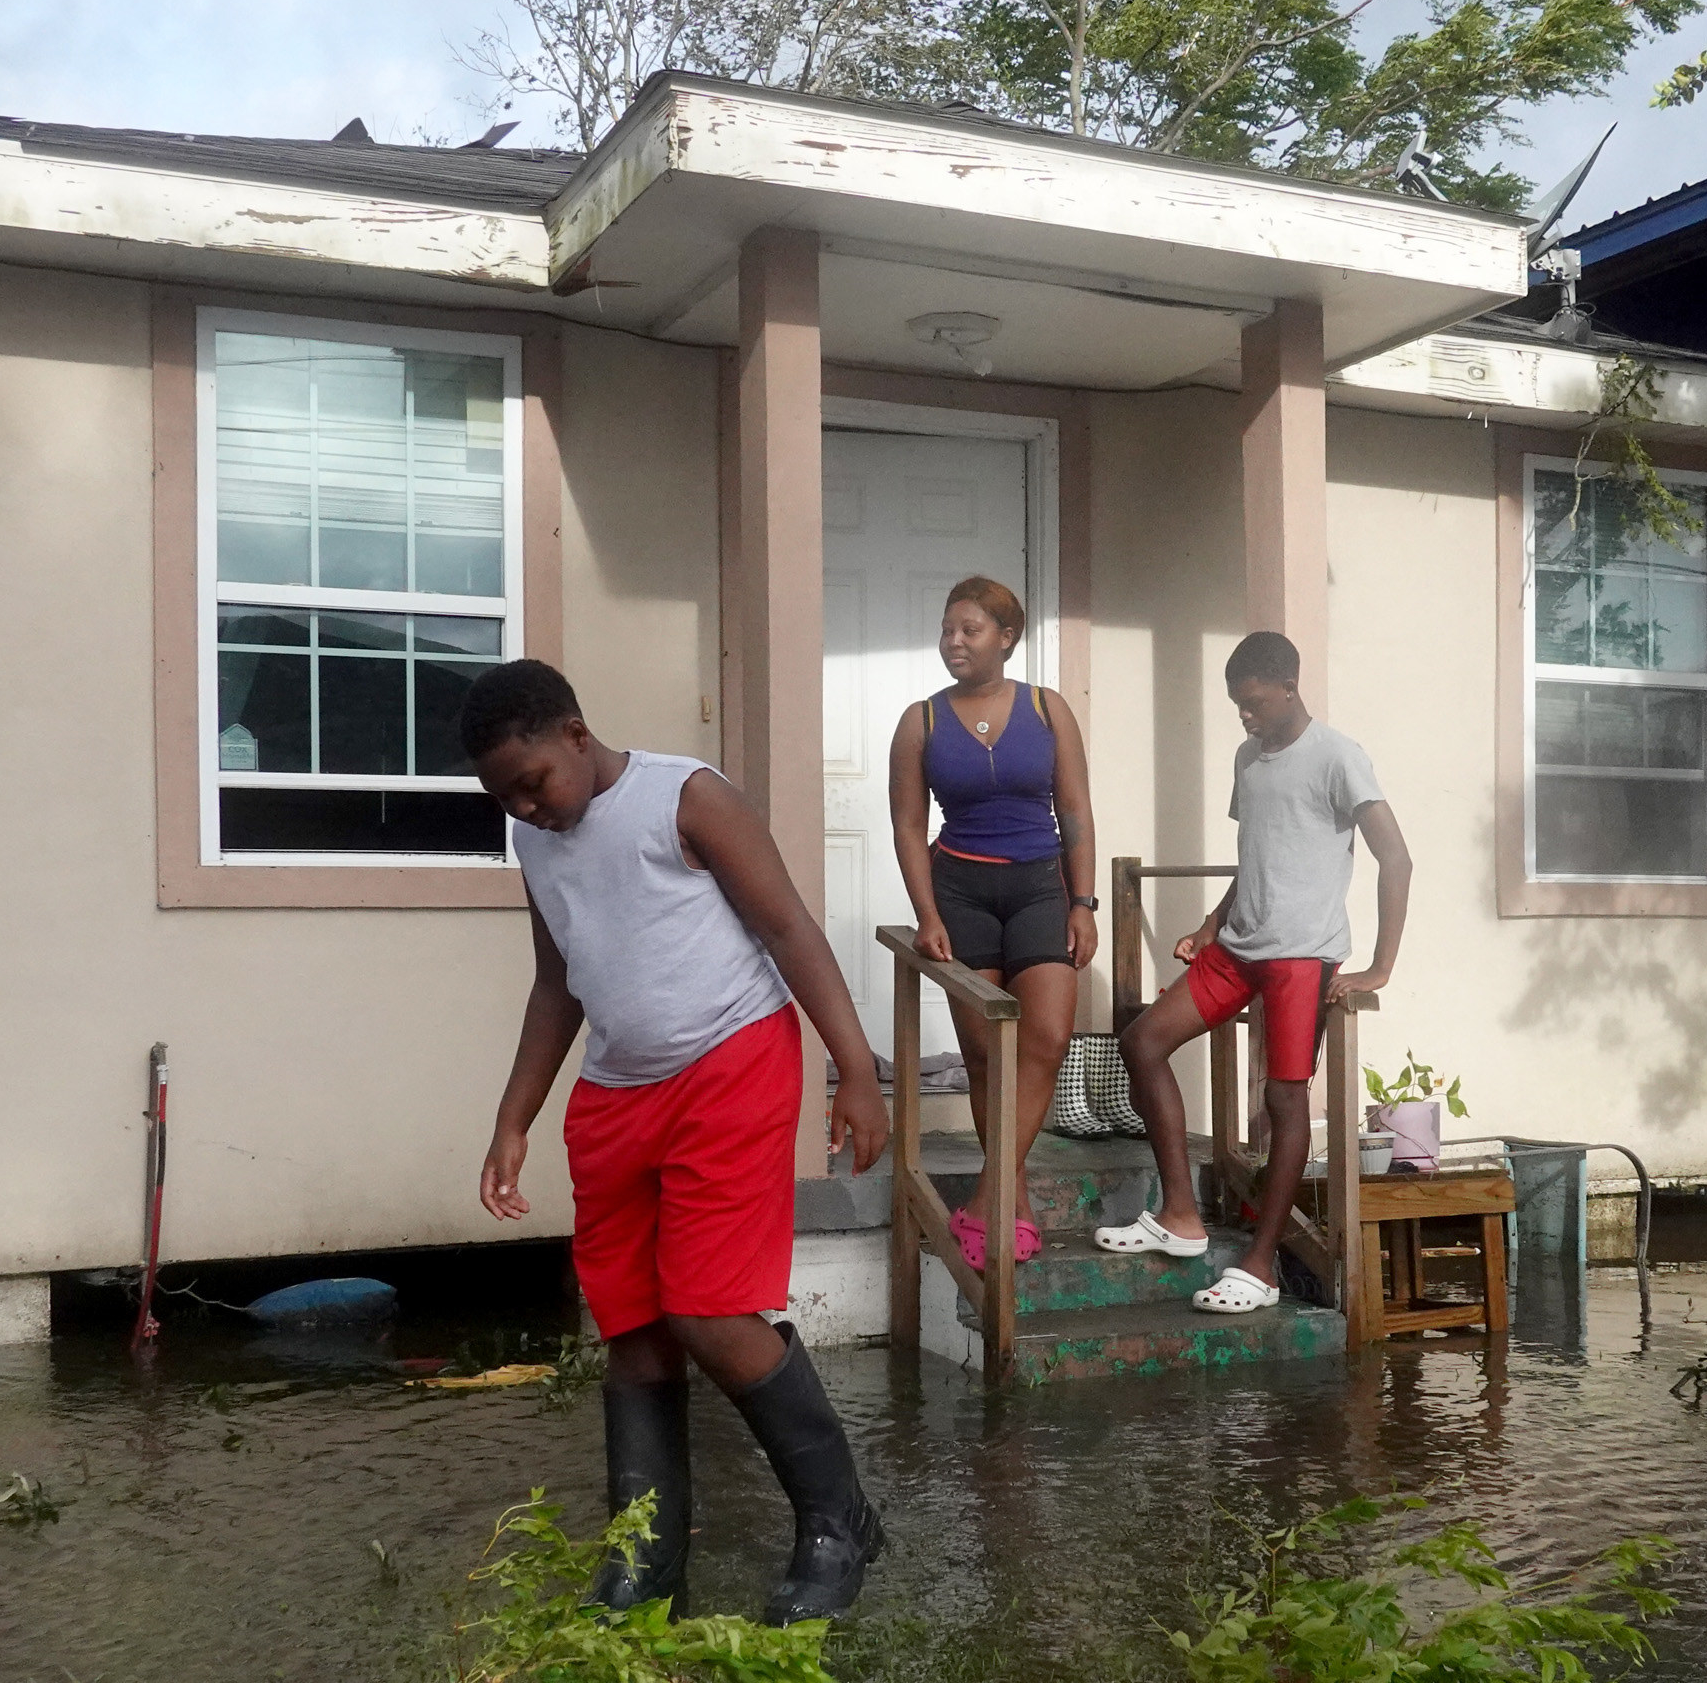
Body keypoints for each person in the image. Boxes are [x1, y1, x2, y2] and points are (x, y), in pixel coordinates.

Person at [467, 659, 891, 1624]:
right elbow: (555, 984)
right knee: (633, 1327)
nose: (526, 809)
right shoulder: (536, 844)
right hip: (617, 1096)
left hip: (731, 1061)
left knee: (710, 1312)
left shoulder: (687, 799)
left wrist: (854, 1069)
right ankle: (646, 1560)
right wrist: (512, 1119)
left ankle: (836, 1524)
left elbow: (788, 929)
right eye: (504, 799)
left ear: (575, 733)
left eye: (532, 781)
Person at [1096, 631, 1412, 1314]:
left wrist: (1380, 967)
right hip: (1240, 947)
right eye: (1237, 704)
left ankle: (1261, 1267)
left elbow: (1397, 859)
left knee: (1284, 1098)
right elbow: (1258, 855)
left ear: (1289, 688)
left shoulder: (1338, 756)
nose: (1245, 716)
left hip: (1302, 955)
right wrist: (1212, 924)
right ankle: (1181, 1216)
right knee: (1143, 1041)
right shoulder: (1249, 758)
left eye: (1254, 702)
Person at [886, 576, 1098, 1270]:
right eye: (948, 629)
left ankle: (987, 1194)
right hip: (961, 891)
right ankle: (1016, 1201)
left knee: (1045, 1035)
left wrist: (1083, 902)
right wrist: (926, 914)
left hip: (1041, 885)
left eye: (970, 630)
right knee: (983, 1055)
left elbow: (1076, 813)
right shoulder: (920, 720)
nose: (955, 642)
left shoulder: (1046, 707)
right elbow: (909, 825)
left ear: (1007, 637)